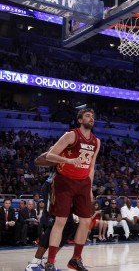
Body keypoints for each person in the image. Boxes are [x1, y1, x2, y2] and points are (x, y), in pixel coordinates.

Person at [44, 108, 101, 271]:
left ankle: (75, 259)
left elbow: (91, 166)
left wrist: (90, 187)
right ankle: (50, 261)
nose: (92, 118)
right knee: (60, 220)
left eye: (93, 116)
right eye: (88, 116)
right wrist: (68, 160)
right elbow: (49, 155)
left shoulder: (96, 141)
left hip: (83, 183)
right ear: (80, 120)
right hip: (64, 181)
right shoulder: (71, 135)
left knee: (86, 221)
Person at [25, 151, 78, 271]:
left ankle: (49, 261)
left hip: (69, 189)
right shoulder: (63, 147)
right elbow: (38, 160)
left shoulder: (84, 150)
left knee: (69, 225)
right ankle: (34, 263)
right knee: (55, 223)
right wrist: (63, 160)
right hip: (53, 187)